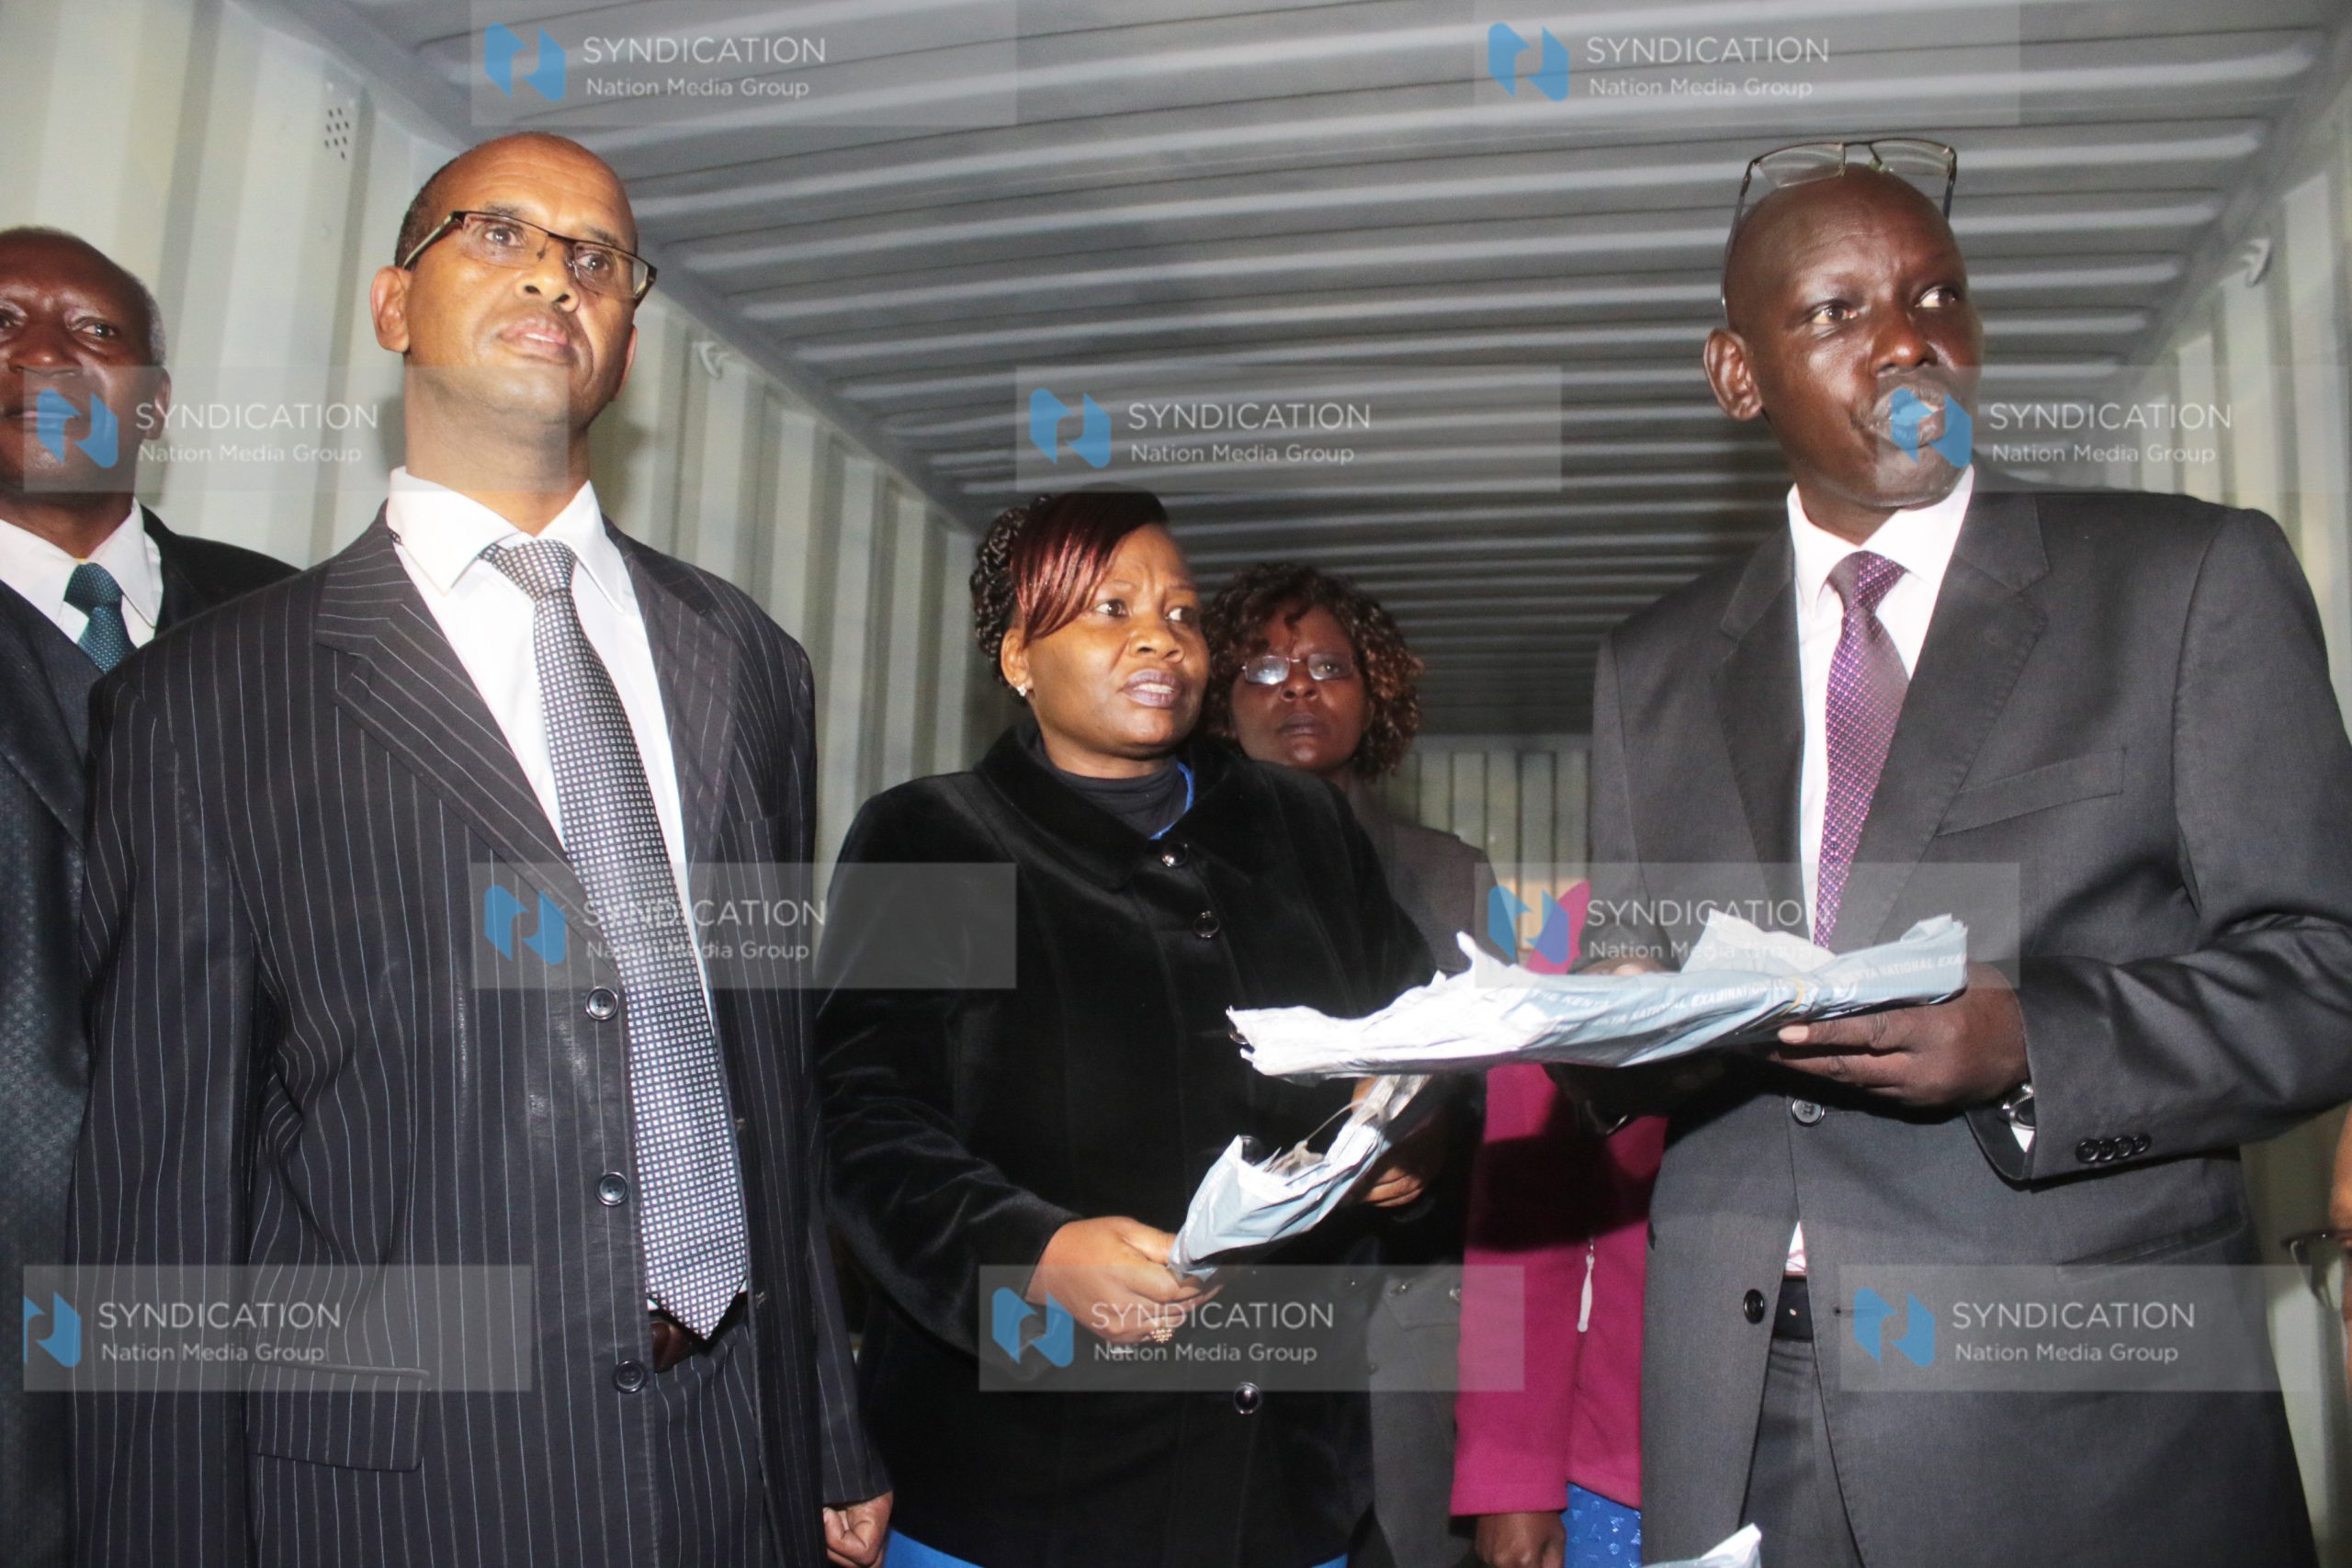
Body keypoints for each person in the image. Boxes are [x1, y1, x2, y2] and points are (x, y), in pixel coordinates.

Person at [68, 133, 889, 1568]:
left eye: (595, 257)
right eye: (496, 232)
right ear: (394, 303)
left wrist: (824, 1419)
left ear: (627, 335)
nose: (553, 275)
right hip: (401, 1486)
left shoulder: (750, 661)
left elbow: (771, 1073)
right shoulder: (206, 697)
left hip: (730, 1457)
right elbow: (159, 1196)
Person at [1590, 140, 2352, 1566]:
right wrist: (1599, 1020)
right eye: (1835, 311)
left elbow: (2325, 970)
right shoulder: (1651, 670)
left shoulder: (2185, 581)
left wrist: (2034, 1042)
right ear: (1734, 372)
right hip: (1736, 1411)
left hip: (2082, 1427)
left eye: (1938, 296)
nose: (1904, 343)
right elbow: (1634, 990)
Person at [816, 490, 1438, 1568]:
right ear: (1017, 655)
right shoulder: (937, 838)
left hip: (1284, 1485)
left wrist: (1413, 1141)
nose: (1160, 636)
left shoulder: (1299, 823)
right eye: (1109, 608)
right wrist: (1031, 1253)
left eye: (1184, 614)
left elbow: (1420, 1029)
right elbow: (863, 1123)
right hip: (1020, 1487)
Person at [0, 226, 292, 1568]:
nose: (47, 352)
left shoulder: (303, 628)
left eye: (95, 333)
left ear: (155, 402)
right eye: (2, 322)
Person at [1205, 560, 1487, 1568]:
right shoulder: (1172, 865)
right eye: (1263, 668)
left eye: (1328, 666)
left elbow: (1497, 1076)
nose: (1297, 687)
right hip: (1225, 1301)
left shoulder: (1448, 873)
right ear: (1214, 700)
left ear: (1372, 699)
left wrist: (1436, 1137)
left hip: (1405, 1309)